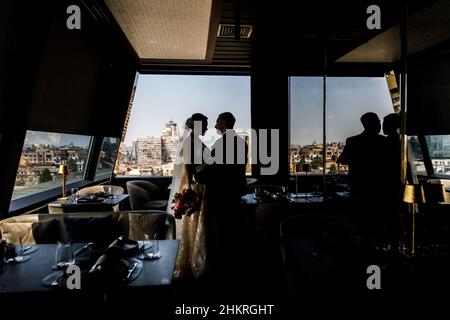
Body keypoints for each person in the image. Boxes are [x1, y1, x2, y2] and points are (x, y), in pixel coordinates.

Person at [201, 112, 249, 297]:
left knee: (220, 230)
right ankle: (233, 267)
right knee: (231, 230)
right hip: (234, 193)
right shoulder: (241, 142)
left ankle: (223, 272)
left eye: (217, 120)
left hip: (220, 194)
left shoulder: (223, 143)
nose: (214, 124)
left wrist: (199, 176)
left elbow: (213, 169)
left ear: (224, 122)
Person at [168, 113, 212, 279]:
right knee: (193, 223)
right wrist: (188, 190)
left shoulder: (197, 141)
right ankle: (190, 261)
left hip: (201, 185)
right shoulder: (188, 142)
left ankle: (197, 257)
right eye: (205, 124)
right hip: (194, 186)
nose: (207, 128)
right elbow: (187, 167)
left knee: (199, 223)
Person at [337, 112, 386, 241]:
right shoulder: (383, 142)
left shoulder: (352, 141)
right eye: (378, 122)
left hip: (358, 188)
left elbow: (343, 160)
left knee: (360, 224)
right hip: (379, 189)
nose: (380, 125)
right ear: (374, 124)